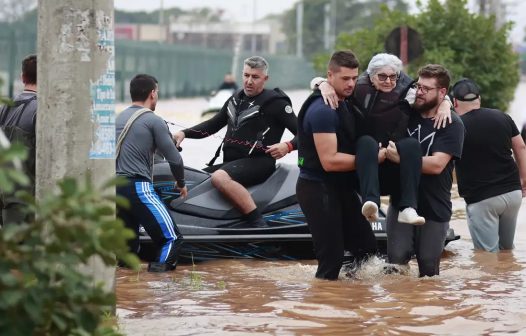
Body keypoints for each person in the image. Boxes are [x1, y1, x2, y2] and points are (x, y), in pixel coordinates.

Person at [312, 54, 451, 225]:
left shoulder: (408, 91)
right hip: (366, 158)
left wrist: (446, 103)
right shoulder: (356, 87)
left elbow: (433, 95)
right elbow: (326, 80)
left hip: (393, 159)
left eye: (393, 77)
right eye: (382, 76)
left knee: (411, 144)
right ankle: (371, 202)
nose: (388, 81)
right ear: (371, 76)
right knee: (366, 142)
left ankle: (408, 207)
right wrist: (323, 85)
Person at [173, 56, 297, 227]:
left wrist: (288, 146)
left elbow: (306, 133)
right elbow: (212, 125)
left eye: (255, 77)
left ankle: (258, 224)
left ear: (265, 79)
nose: (249, 81)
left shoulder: (276, 103)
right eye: (246, 75)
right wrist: (183, 133)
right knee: (191, 180)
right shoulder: (236, 98)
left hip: (259, 163)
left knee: (220, 178)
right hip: (232, 164)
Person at [296, 50, 377, 280]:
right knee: (331, 260)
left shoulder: (344, 98)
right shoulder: (323, 110)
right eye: (345, 79)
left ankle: (351, 304)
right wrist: (372, 159)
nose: (351, 84)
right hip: (316, 188)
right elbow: (330, 161)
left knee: (367, 249)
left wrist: (445, 103)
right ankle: (324, 307)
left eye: (354, 78)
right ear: (330, 75)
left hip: (340, 188)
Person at [385, 64, 464, 277]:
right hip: (400, 202)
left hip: (434, 205)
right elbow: (372, 83)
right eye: (418, 86)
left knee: (429, 272)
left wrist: (401, 159)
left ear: (442, 92)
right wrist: (323, 84)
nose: (419, 92)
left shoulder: (452, 123)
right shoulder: (405, 112)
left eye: (426, 89)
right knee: (395, 266)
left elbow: (437, 164)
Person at [116, 74, 188, 272]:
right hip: (137, 187)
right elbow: (174, 159)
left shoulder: (117, 118)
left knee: (127, 248)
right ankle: (158, 289)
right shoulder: (154, 120)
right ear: (153, 94)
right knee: (171, 239)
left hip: (114, 188)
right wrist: (181, 183)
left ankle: (128, 292)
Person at [452, 78, 526, 252]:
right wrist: (524, 178)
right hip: (513, 193)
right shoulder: (502, 116)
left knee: (487, 256)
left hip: (482, 198)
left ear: (455, 102)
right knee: (507, 250)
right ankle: (511, 278)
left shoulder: (456, 125)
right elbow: (521, 146)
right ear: (479, 99)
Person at [0, 54, 37, 225]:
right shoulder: (42, 109)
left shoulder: (5, 108)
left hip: (5, 196)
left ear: (22, 77)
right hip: (27, 199)